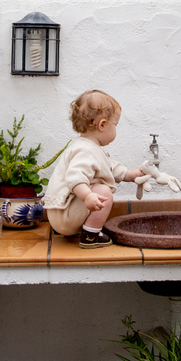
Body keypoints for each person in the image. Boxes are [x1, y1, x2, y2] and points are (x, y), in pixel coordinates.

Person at [43, 90, 144, 249]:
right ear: (102, 124)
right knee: (103, 192)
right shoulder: (85, 151)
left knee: (99, 189)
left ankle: (85, 228)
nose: (116, 129)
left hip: (61, 214)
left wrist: (132, 175)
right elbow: (75, 178)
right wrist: (87, 196)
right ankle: (91, 235)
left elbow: (109, 167)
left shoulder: (88, 148)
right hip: (65, 215)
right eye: (115, 125)